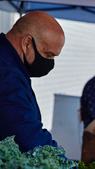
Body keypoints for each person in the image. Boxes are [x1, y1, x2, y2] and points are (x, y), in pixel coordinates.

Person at [0, 11, 65, 152]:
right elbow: (26, 137)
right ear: (27, 43)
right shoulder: (6, 74)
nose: (50, 62)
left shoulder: (11, 65)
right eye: (48, 54)